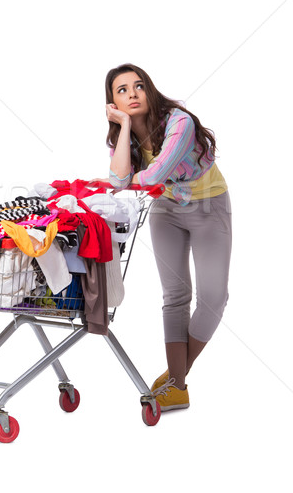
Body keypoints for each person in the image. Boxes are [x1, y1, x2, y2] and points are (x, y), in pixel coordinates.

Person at [102, 62, 232, 412]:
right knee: (175, 296)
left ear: (150, 89)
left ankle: (175, 377)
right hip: (166, 211)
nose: (132, 94)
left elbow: (154, 173)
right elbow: (117, 182)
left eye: (138, 86)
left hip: (209, 206)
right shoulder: (123, 136)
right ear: (112, 102)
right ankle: (178, 388)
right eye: (122, 90)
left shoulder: (179, 122)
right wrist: (126, 127)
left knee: (214, 298)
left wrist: (128, 178)